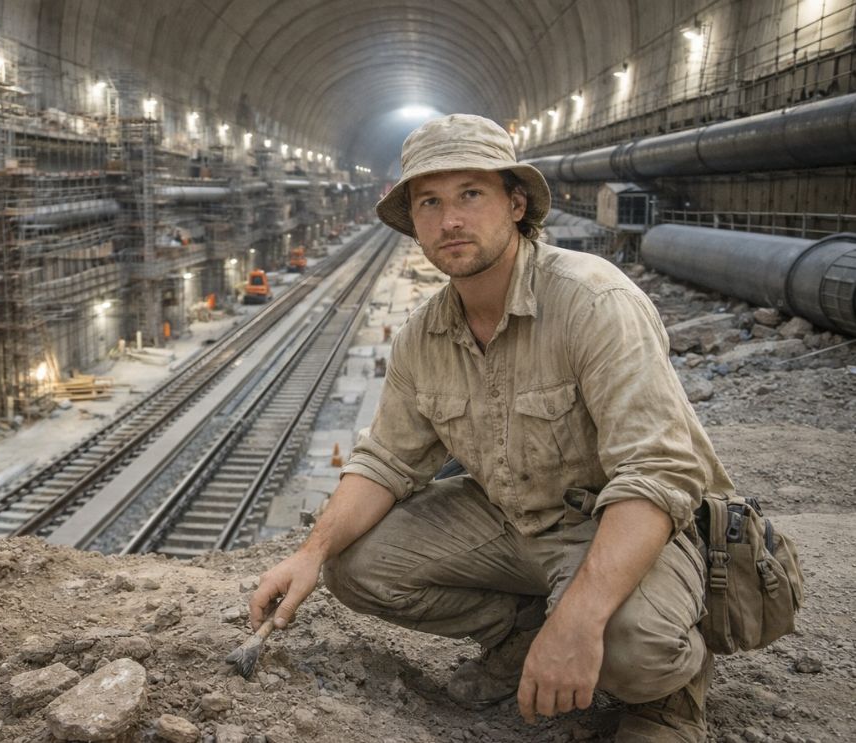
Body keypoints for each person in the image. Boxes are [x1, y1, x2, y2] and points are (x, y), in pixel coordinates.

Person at [248, 114, 734, 741]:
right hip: (512, 522)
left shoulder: (593, 301)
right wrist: (309, 554)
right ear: (414, 222)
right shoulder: (425, 334)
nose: (450, 219)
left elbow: (659, 473)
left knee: (632, 651)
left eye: (470, 194)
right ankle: (522, 635)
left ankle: (670, 697)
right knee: (354, 564)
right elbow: (385, 461)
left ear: (515, 203)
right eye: (430, 202)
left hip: (620, 525)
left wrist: (579, 619)